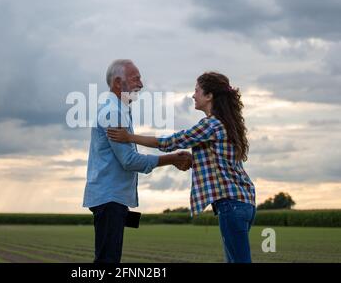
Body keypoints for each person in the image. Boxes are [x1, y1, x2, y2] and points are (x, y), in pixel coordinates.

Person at [107, 71, 256, 263]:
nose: (193, 95)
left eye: (197, 91)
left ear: (209, 96)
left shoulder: (211, 125)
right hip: (244, 202)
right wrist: (194, 161)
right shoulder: (226, 124)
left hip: (231, 204)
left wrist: (130, 137)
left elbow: (173, 141)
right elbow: (221, 164)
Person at [83, 59, 192, 263]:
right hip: (110, 198)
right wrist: (171, 159)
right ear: (117, 83)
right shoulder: (113, 112)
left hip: (112, 198)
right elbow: (129, 161)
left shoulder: (120, 109)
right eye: (136, 79)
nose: (141, 84)